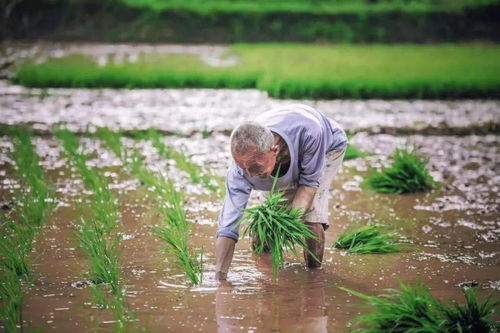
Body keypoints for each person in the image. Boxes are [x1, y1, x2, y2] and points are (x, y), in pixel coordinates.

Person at [215, 104, 347, 280]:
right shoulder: (241, 171)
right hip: (280, 156)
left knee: (311, 216)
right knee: (267, 223)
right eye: (244, 168)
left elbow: (308, 186)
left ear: (274, 150)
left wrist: (289, 223)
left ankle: (314, 277)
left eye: (255, 167)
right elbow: (228, 227)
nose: (250, 175)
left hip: (326, 148)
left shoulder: (310, 132)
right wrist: (220, 277)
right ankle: (268, 276)